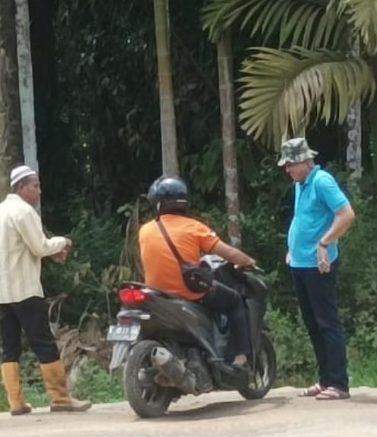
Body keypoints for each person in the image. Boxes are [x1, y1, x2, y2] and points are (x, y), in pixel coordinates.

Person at [0, 165, 91, 415]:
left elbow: (22, 249)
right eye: (35, 185)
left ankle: (16, 402)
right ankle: (60, 398)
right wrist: (63, 242)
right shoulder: (23, 212)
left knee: (10, 346)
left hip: (1, 290)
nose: (39, 191)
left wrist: (49, 250)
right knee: (43, 342)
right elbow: (40, 246)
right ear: (21, 187)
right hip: (24, 289)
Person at [139, 176, 256, 369]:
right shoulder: (194, 228)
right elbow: (228, 253)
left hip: (157, 294)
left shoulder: (145, 230)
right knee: (235, 301)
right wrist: (247, 261)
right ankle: (241, 358)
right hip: (188, 293)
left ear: (157, 204)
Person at [279, 137, 355, 401]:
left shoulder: (322, 181)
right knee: (312, 323)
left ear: (304, 162)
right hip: (300, 263)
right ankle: (325, 380)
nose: (287, 169)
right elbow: (304, 219)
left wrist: (325, 242)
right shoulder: (301, 183)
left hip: (319, 265)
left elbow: (346, 214)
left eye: (290, 164)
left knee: (327, 322)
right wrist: (293, 247)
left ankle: (338, 383)